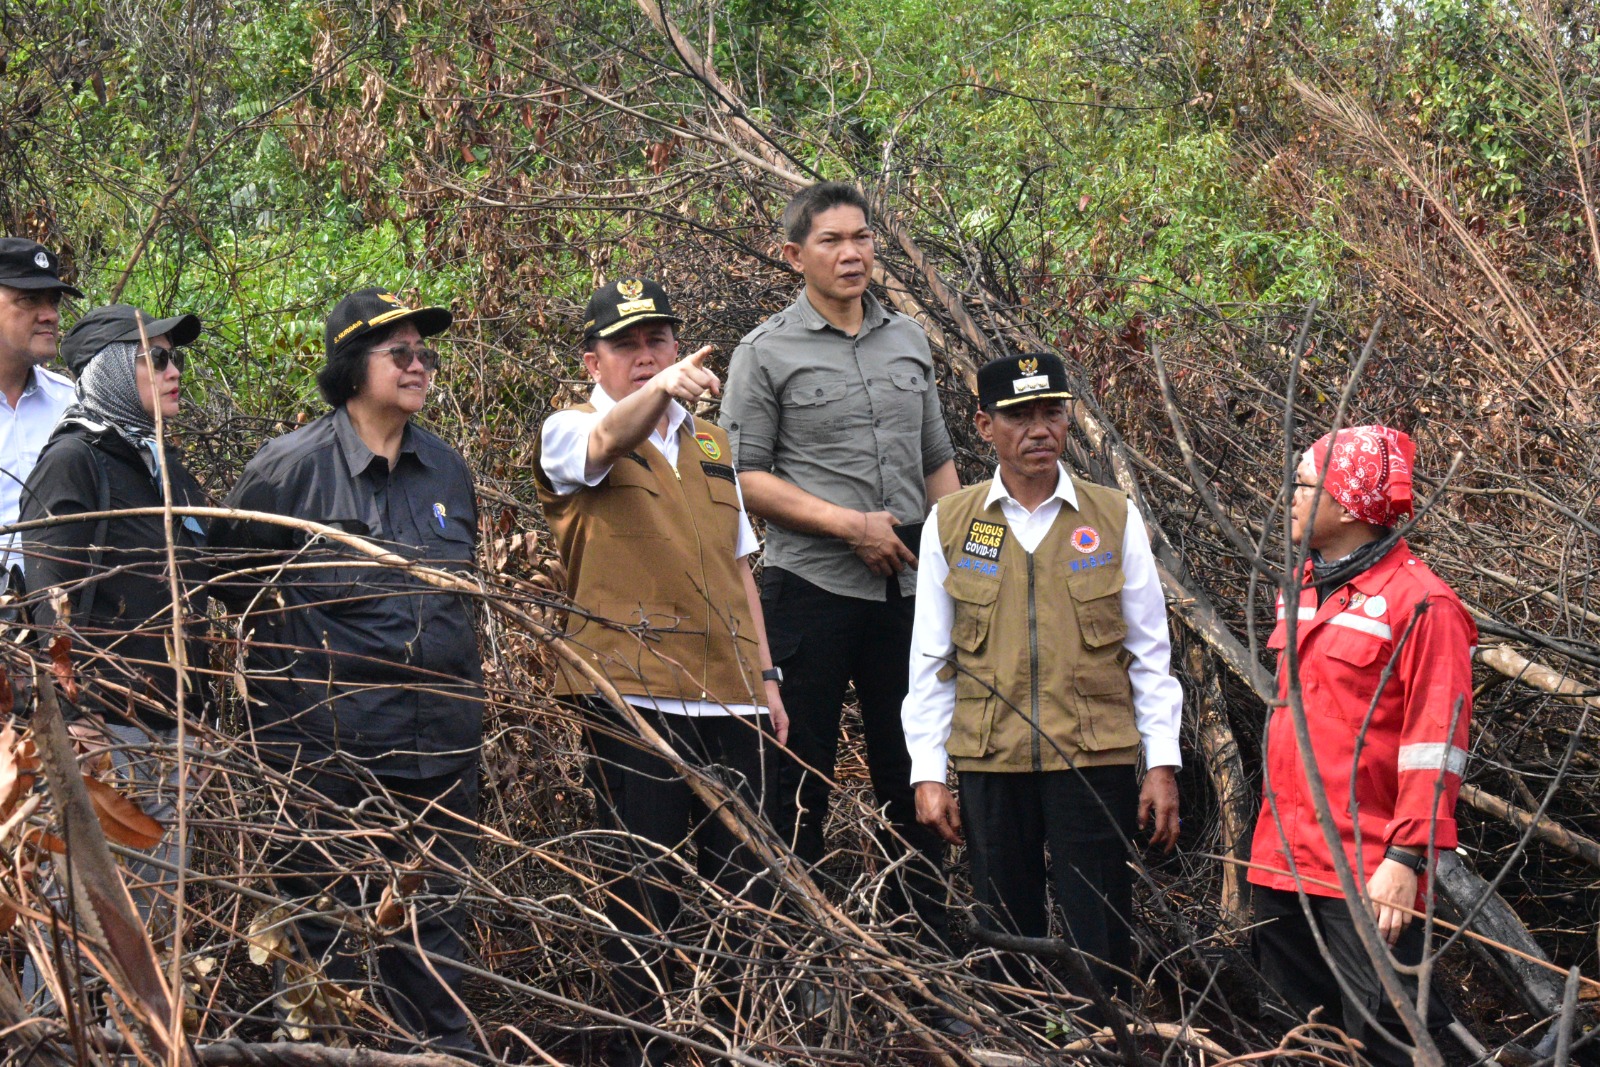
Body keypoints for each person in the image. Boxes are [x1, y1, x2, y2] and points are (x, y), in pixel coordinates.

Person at [210, 287, 484, 1055]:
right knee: (326, 962)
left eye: (424, 351)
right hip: (330, 768)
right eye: (398, 352)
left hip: (442, 759)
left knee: (433, 955)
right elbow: (227, 584)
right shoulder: (288, 471)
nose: (418, 363)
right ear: (350, 366)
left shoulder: (446, 470)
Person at [534, 278, 787, 1067]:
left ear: (679, 346)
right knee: (643, 893)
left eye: (660, 341)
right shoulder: (570, 427)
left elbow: (742, 566)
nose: (648, 356)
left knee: (744, 892)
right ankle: (642, 1047)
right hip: (632, 691)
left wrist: (769, 677)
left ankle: (727, 1044)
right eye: (628, 345)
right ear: (593, 359)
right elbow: (606, 446)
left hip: (732, 696)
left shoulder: (712, 443)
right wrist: (659, 395)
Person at [719, 182, 962, 972]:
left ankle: (922, 957)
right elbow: (742, 477)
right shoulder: (765, 352)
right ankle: (797, 965)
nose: (852, 253)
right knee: (797, 782)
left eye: (862, 237)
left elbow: (938, 467)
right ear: (795, 255)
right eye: (831, 241)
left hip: (906, 596)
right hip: (808, 592)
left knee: (913, 774)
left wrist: (965, 572)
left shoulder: (909, 343)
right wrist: (848, 525)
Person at [901, 352, 1182, 1006]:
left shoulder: (1112, 517)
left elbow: (1150, 651)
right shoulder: (952, 521)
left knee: (1100, 938)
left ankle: (1104, 1047)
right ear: (983, 425)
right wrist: (928, 770)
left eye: (1051, 412)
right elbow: (930, 659)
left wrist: (1161, 763)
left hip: (1092, 758)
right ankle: (1017, 1042)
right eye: (1018, 416)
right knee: (1003, 936)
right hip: (990, 760)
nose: (1038, 430)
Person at [1248, 425, 1474, 1065]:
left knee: (1397, 1044)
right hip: (1283, 864)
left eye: (1304, 484)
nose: (1290, 496)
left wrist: (1406, 860)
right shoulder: (1306, 588)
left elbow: (1437, 745)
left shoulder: (1424, 606)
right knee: (1296, 1045)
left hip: (1366, 877)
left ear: (1347, 504)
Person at [16, 303, 210, 1004]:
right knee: (78, 921)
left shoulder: (162, 463)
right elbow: (46, 600)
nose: (173, 370)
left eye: (174, 357)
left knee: (152, 924)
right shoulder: (75, 461)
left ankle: (139, 1052)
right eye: (153, 358)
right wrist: (71, 720)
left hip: (168, 731)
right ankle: (51, 1046)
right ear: (106, 373)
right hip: (102, 736)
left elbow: (217, 568)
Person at [0, 238, 81, 577]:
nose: (50, 315)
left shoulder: (74, 404)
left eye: (53, 300)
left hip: (64, 607)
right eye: (29, 299)